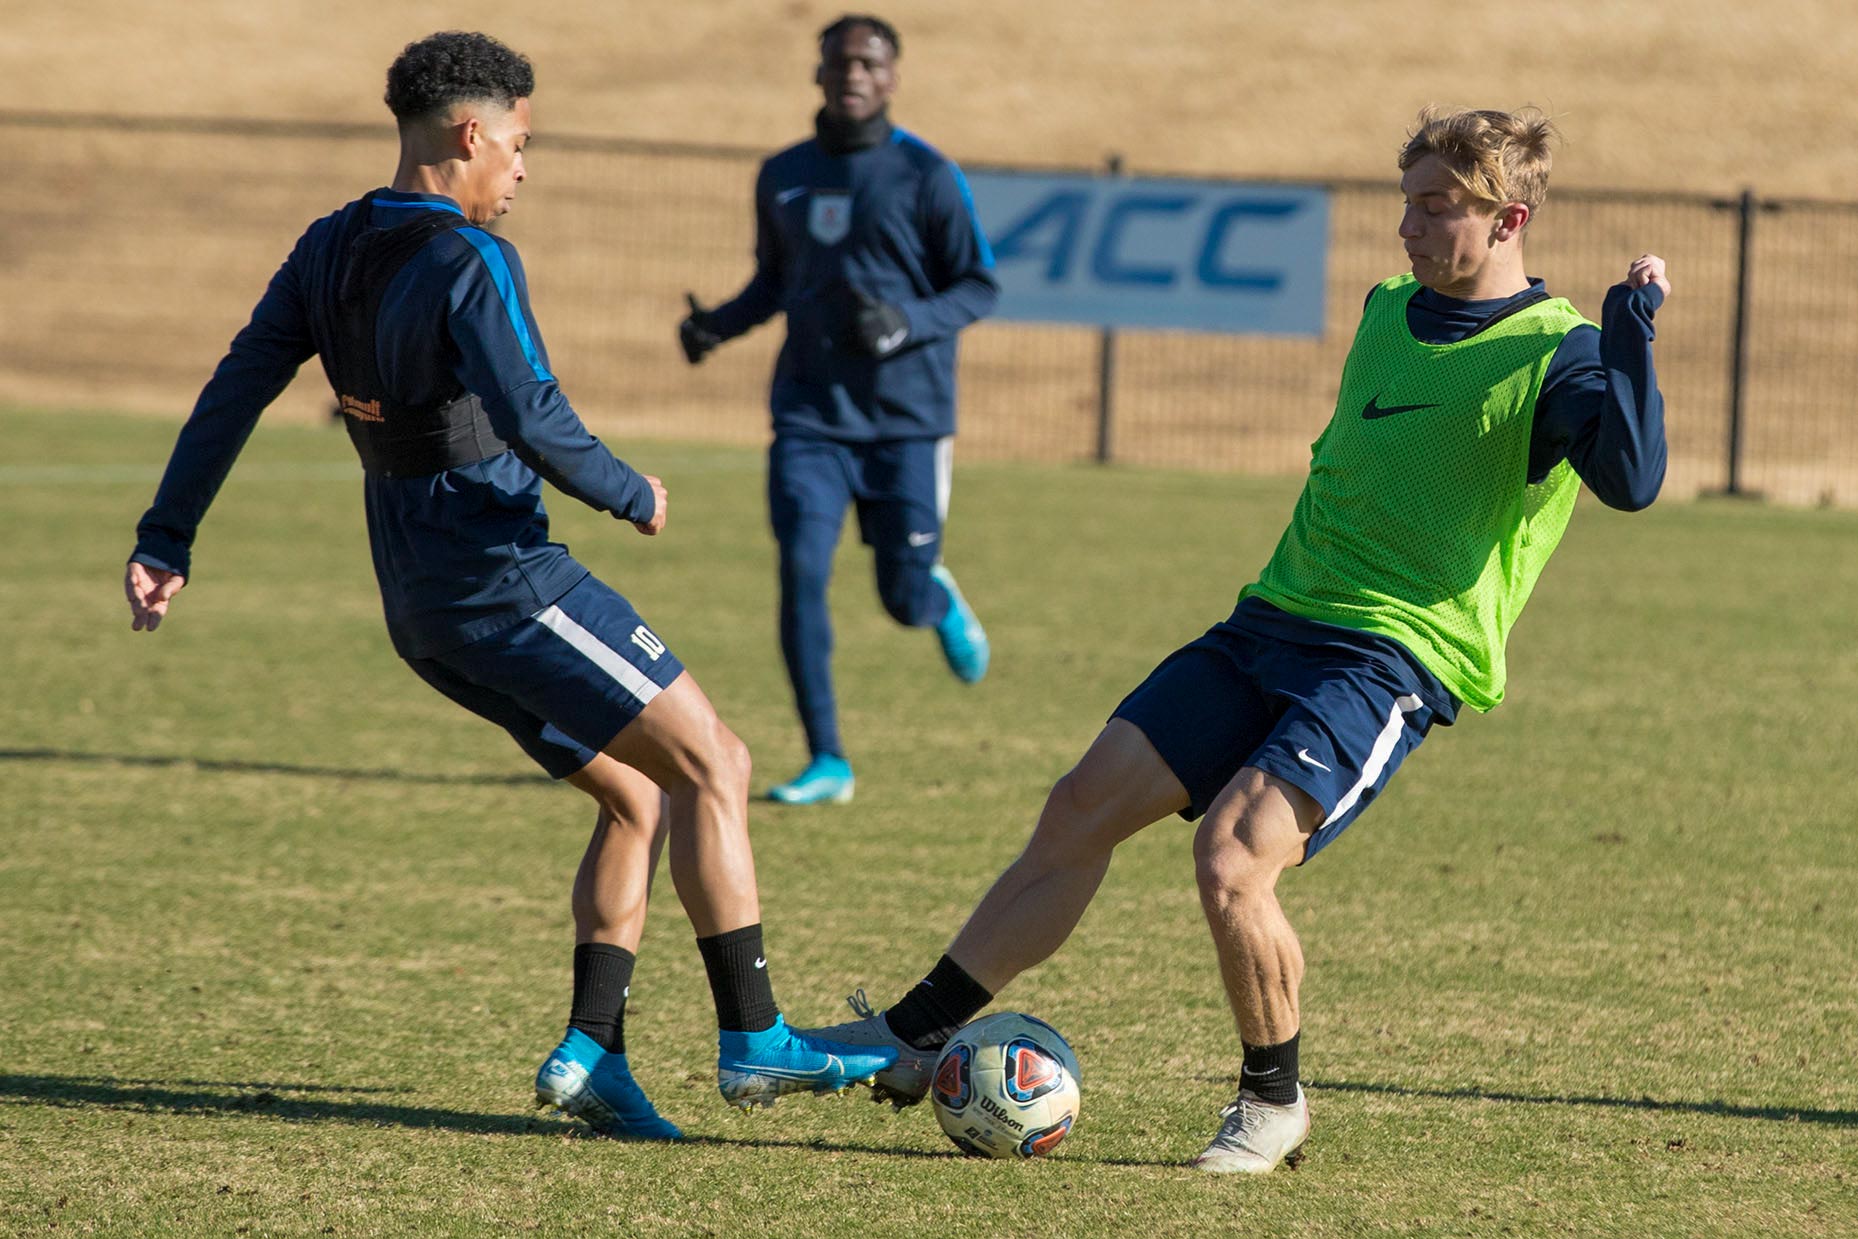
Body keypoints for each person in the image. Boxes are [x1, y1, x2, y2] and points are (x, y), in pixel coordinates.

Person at [805, 106, 1672, 1172]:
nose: (1407, 227)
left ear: (1510, 219)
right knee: (1081, 804)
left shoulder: (1559, 354)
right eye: (1403, 203)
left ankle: (1273, 1104)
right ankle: (915, 1028)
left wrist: (1631, 338)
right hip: (1268, 621)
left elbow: (1631, 482)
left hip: (1388, 660)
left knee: (1231, 860)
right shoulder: (1386, 308)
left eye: (1435, 207)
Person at [123, 30, 893, 1141]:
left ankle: (594, 1057)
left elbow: (237, 383)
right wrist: (628, 488)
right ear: (471, 134)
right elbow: (531, 414)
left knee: (640, 796)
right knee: (716, 762)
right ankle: (757, 1040)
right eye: (520, 145)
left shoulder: (328, 247)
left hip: (420, 606)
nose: (524, 170)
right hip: (505, 582)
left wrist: (167, 535)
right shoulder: (469, 260)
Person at [679, 13, 1000, 805]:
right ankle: (829, 759)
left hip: (907, 422)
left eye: (868, 62)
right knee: (799, 571)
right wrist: (715, 325)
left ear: (893, 77)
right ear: (817, 73)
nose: (852, 74)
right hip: (811, 418)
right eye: (839, 62)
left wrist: (906, 323)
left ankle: (933, 596)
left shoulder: (928, 174)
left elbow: (978, 284)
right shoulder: (782, 173)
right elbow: (774, 283)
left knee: (899, 596)